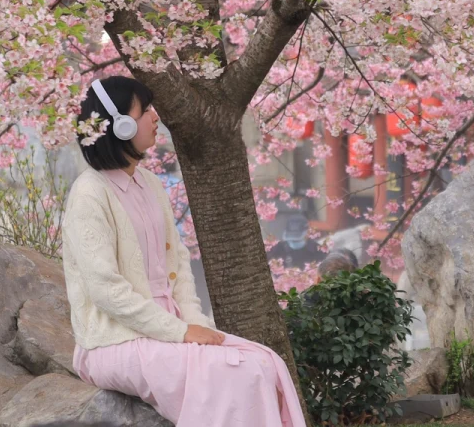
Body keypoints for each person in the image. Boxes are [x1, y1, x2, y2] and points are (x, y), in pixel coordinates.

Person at [61, 74, 308, 427]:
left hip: (168, 330)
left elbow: (178, 265)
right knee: (235, 374)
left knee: (265, 362)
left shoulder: (149, 183)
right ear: (122, 125)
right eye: (145, 110)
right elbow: (106, 291)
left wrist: (193, 323)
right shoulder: (90, 194)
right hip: (113, 342)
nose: (156, 116)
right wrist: (180, 333)